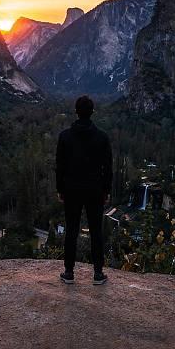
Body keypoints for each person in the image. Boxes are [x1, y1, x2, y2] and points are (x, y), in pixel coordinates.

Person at [56, 95, 113, 285]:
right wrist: (106, 190)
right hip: (95, 190)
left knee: (71, 230)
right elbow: (108, 168)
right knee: (96, 231)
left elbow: (60, 166)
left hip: (71, 189)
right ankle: (98, 274)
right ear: (92, 112)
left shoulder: (64, 137)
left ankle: (69, 273)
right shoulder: (102, 137)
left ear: (76, 112)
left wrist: (60, 189)